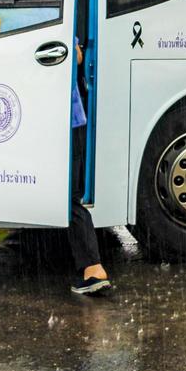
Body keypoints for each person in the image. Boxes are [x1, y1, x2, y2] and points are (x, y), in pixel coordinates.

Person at [68, 63, 112, 295]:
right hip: (71, 119)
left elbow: (75, 56)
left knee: (68, 198)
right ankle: (92, 268)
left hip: (65, 120)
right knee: (69, 196)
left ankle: (93, 268)